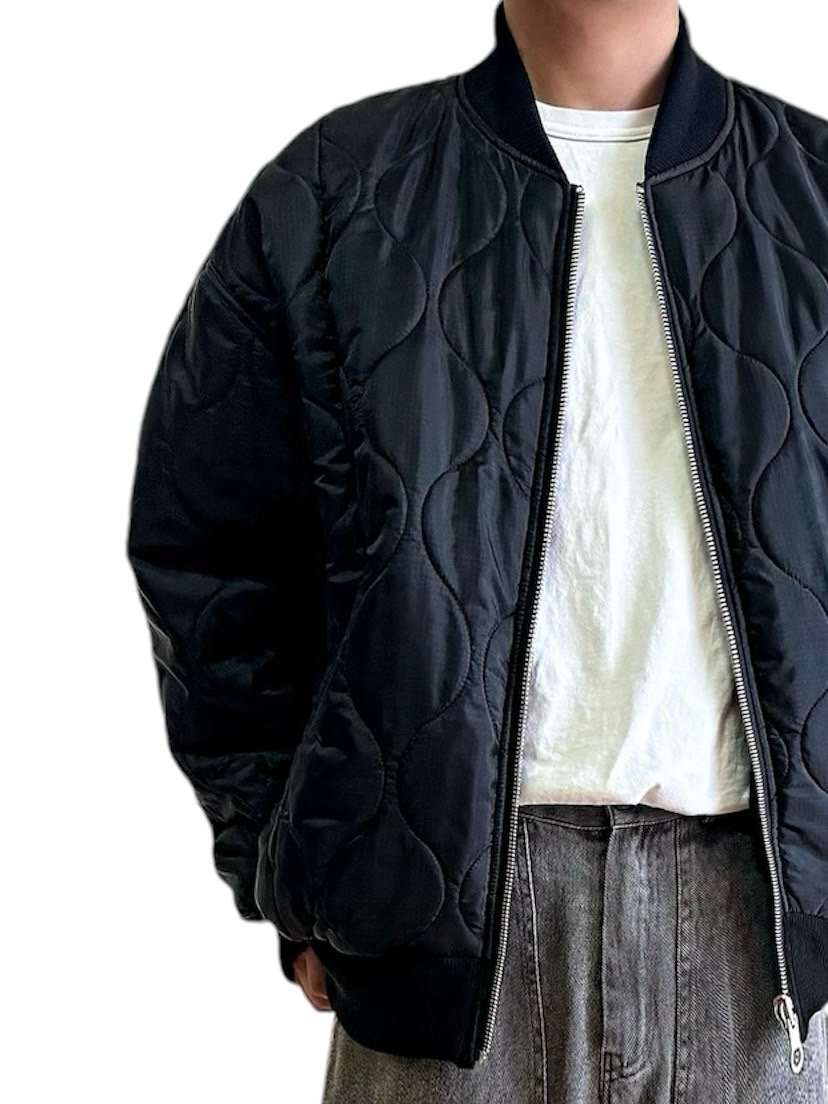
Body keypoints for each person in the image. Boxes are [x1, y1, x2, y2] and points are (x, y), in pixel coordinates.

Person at [126, 0, 828, 1099]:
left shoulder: (814, 193)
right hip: (437, 943)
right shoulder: (335, 193)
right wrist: (299, 869)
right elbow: (212, 555)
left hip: (757, 950)